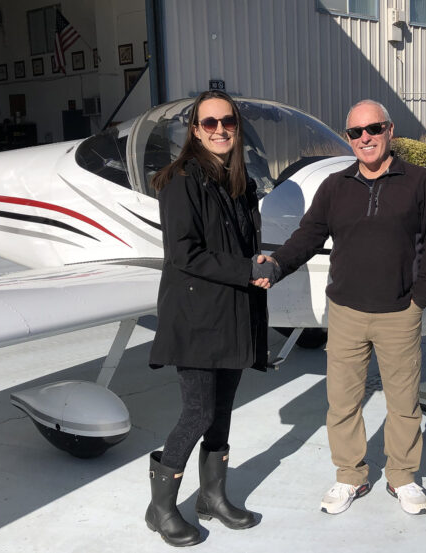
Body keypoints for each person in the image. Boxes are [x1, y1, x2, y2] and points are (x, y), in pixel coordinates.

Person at [255, 99, 426, 516]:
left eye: (373, 129)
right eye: (356, 133)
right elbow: (307, 236)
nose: (365, 138)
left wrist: (421, 298)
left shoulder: (419, 182)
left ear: (389, 131)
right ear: (349, 139)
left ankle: (403, 477)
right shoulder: (335, 186)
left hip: (399, 311)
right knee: (342, 402)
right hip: (344, 312)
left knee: (403, 402)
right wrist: (276, 265)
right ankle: (350, 476)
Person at [146, 90, 271, 547]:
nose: (220, 129)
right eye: (210, 122)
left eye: (228, 122)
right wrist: (247, 270)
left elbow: (234, 247)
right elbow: (185, 255)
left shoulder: (237, 183)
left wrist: (254, 262)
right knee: (197, 413)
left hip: (234, 314)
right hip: (197, 317)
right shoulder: (181, 180)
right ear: (196, 130)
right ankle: (160, 509)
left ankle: (212, 498)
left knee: (220, 414)